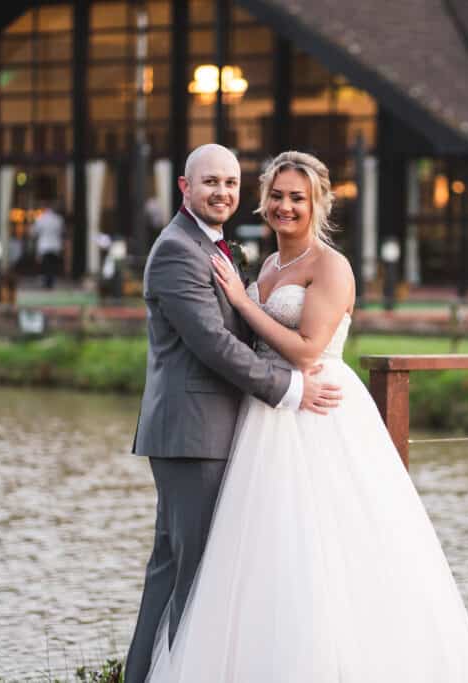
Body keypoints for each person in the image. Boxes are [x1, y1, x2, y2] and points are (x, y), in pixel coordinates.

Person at [145, 151, 468, 682]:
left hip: (315, 408)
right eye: (278, 196)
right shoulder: (264, 265)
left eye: (297, 198)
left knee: (322, 550)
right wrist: (248, 303)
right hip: (264, 417)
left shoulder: (331, 266)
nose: (285, 207)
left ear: (317, 204)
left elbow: (308, 351)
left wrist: (243, 303)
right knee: (254, 557)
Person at [125, 144, 343, 683]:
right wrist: (289, 389)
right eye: (210, 183)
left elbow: (269, 336)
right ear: (185, 188)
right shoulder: (180, 250)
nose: (221, 192)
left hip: (228, 429)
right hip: (196, 432)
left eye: (230, 183)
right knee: (194, 574)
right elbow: (214, 345)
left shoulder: (229, 251)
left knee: (183, 568)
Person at [29, 202, 64, 289]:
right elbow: (62, 232)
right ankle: (50, 282)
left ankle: (46, 282)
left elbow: (34, 232)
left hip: (44, 245)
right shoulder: (58, 219)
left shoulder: (40, 219)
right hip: (55, 245)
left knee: (46, 265)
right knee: (52, 265)